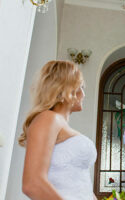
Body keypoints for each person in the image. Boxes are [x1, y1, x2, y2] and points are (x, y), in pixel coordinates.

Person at [19, 60, 97, 200]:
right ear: (67, 87)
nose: (83, 94)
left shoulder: (59, 123)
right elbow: (32, 184)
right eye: (81, 87)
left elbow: (79, 183)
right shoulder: (48, 118)